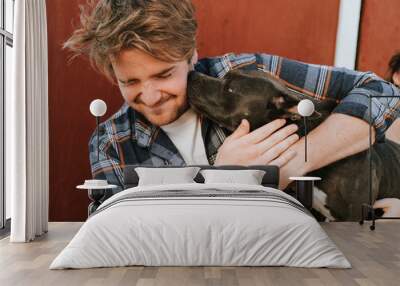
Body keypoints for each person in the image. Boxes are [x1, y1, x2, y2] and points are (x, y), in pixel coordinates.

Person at [64, 0, 399, 204]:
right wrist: (219, 178)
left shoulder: (245, 74)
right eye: (130, 82)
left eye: (164, 75)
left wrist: (288, 166)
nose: (150, 97)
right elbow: (119, 227)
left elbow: (381, 92)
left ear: (191, 56)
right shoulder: (111, 143)